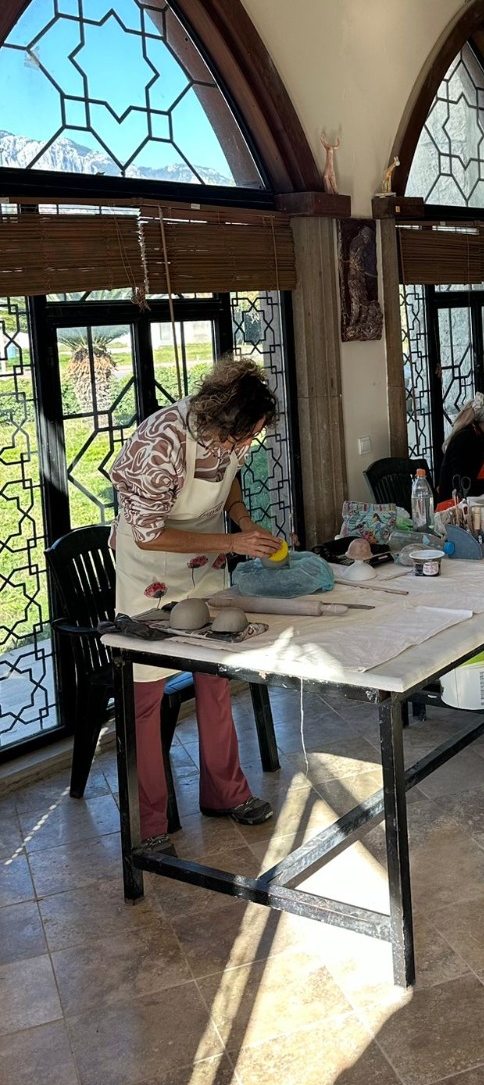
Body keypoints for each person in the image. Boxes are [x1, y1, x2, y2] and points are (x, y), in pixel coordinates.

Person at [110, 357, 283, 853]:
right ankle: (148, 820)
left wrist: (242, 521)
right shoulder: (161, 441)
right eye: (238, 438)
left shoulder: (234, 430)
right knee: (144, 694)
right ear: (216, 417)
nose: (241, 447)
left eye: (249, 438)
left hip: (205, 557)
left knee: (215, 675)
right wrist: (232, 544)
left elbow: (227, 478)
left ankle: (225, 792)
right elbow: (148, 533)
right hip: (150, 567)